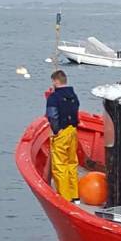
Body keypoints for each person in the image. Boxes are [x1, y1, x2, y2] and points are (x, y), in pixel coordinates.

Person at [45, 70, 80, 202]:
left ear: (55, 81)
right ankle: (75, 195)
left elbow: (52, 115)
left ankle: (65, 197)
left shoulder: (54, 98)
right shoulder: (73, 95)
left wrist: (56, 130)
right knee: (72, 163)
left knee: (60, 165)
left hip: (62, 132)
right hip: (73, 131)